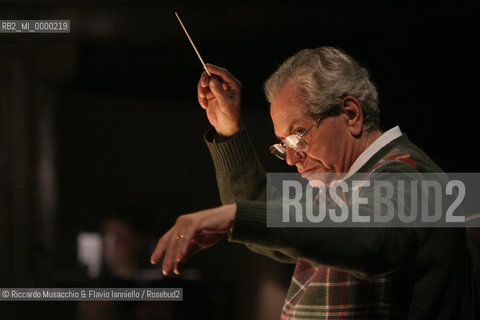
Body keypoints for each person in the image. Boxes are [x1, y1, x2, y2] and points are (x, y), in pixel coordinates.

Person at [150, 47, 466, 319]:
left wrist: (235, 216)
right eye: (283, 144)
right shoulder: (346, 185)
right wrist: (229, 132)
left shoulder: (408, 175)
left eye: (298, 136)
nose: (291, 158)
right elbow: (272, 213)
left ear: (351, 114)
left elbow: (363, 236)